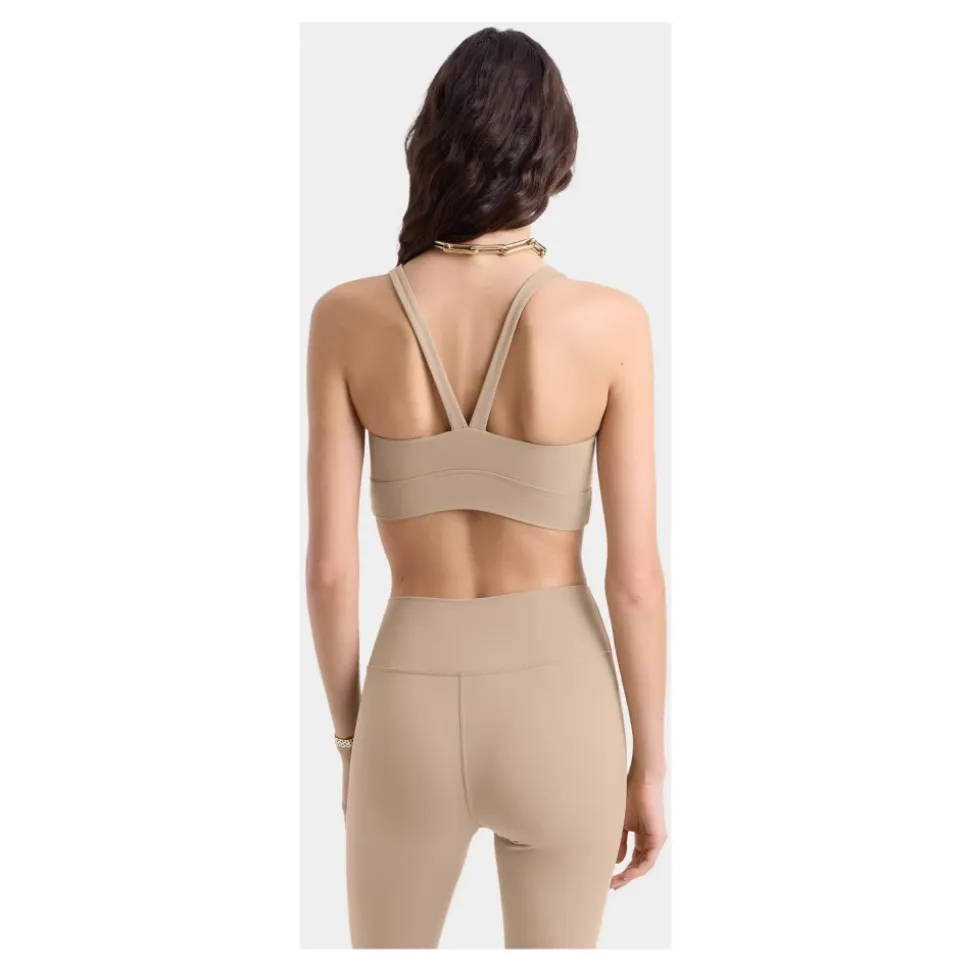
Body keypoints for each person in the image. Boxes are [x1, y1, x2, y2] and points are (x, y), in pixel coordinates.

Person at [305, 26, 667, 949]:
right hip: (563, 705)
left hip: (408, 705)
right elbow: (635, 579)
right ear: (554, 153)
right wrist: (650, 765)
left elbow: (331, 572)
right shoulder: (609, 323)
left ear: (433, 141)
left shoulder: (347, 318)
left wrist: (353, 744)